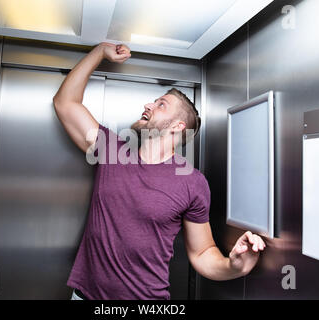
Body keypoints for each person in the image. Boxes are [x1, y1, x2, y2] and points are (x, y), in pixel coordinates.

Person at [53, 42, 266, 300]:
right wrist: (99, 52)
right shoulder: (111, 150)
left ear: (177, 125)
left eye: (161, 104)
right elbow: (65, 102)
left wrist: (234, 266)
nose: (149, 105)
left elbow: (201, 253)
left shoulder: (192, 183)